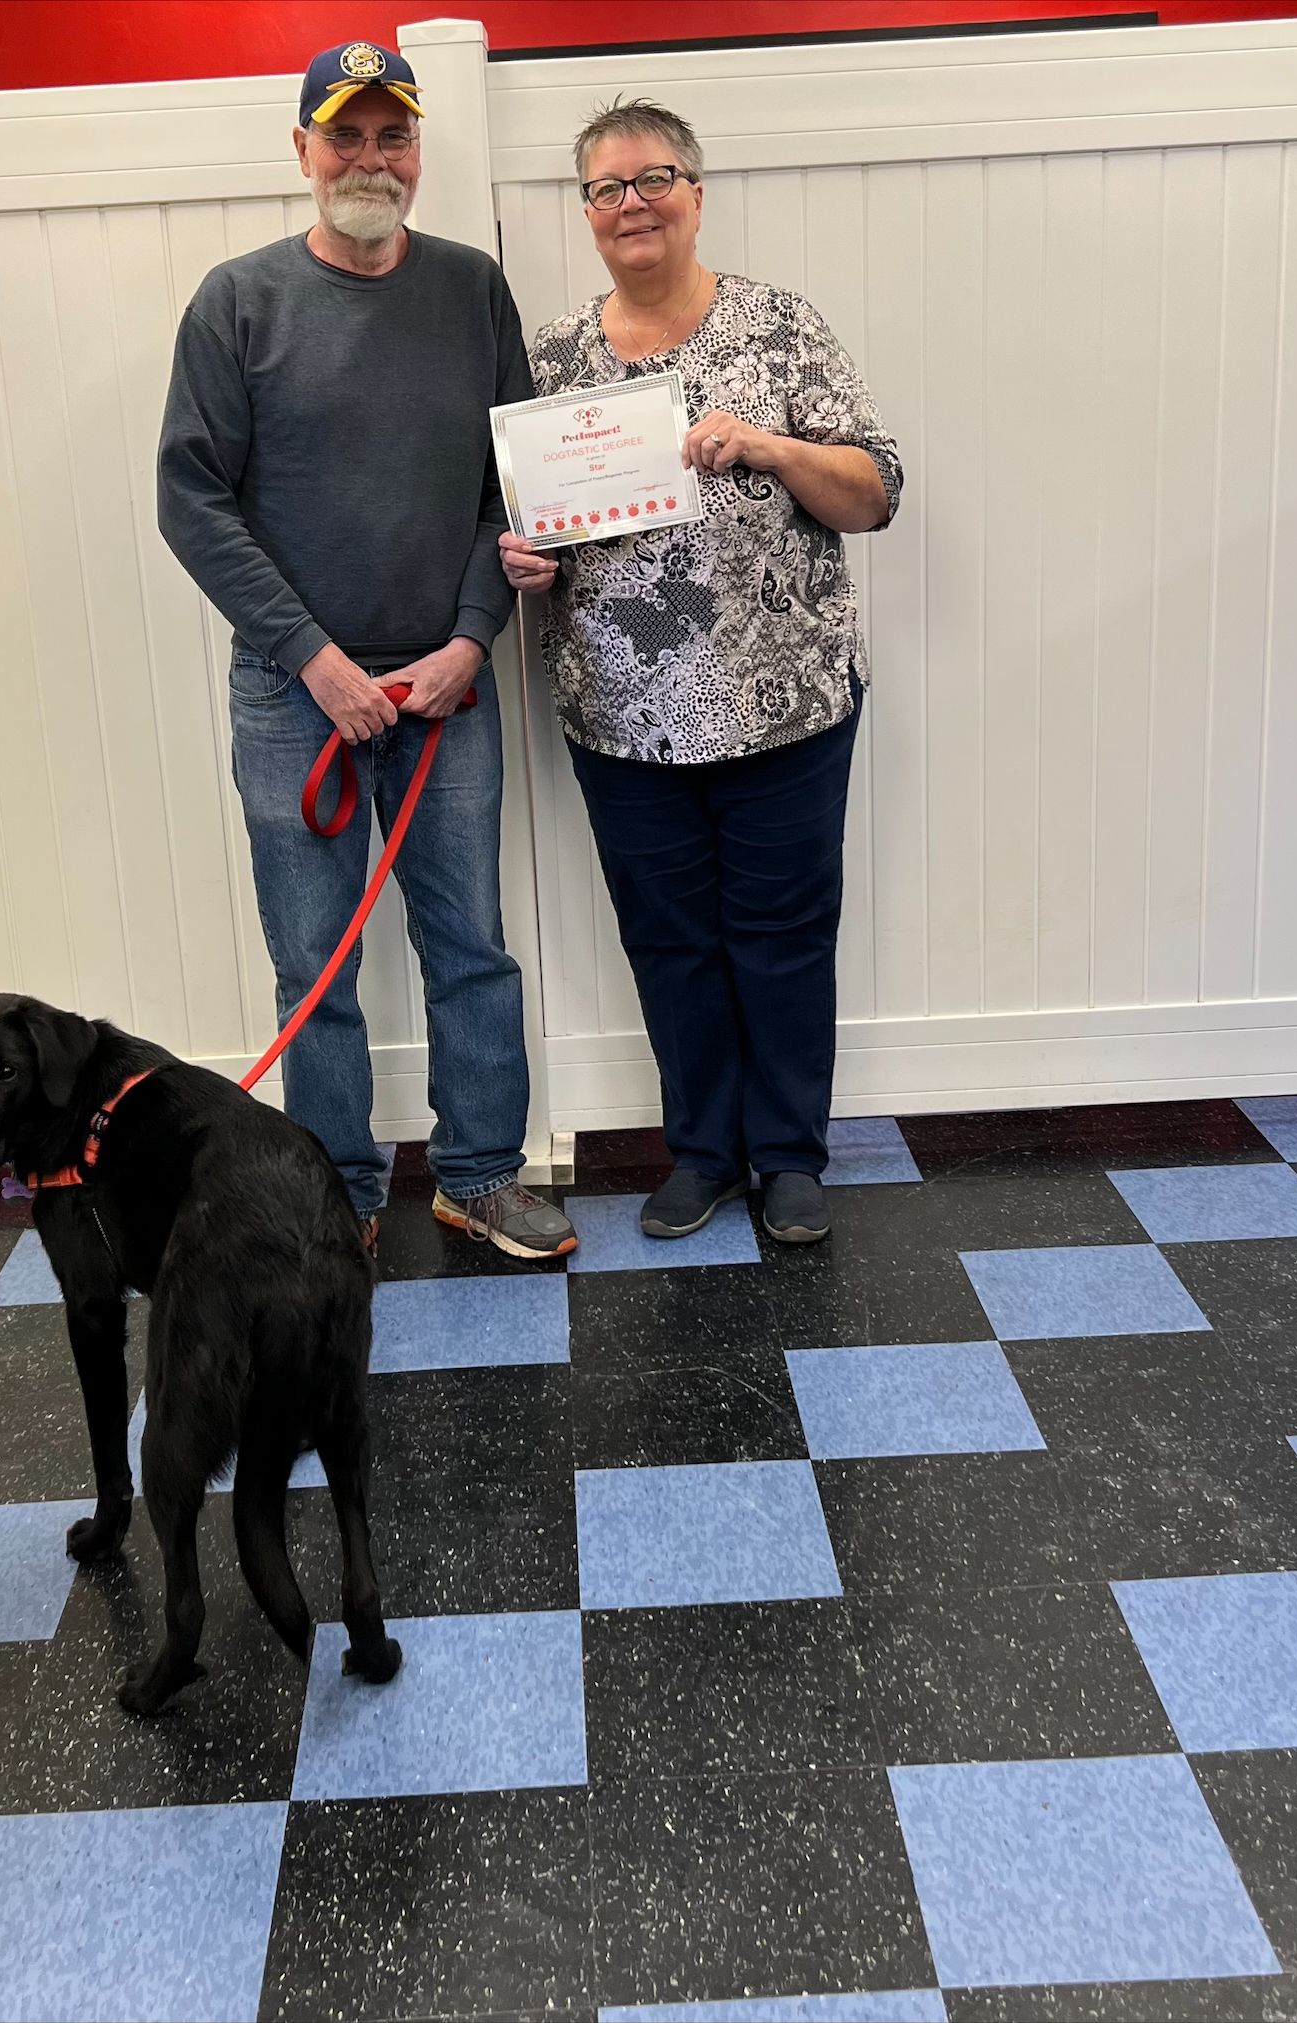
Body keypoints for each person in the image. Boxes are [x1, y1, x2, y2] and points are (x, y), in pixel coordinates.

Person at [158, 40, 577, 1261]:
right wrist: (314, 661)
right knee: (314, 964)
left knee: (470, 947)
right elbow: (193, 501)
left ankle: (480, 1176)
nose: (370, 158)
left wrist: (468, 641)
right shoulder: (236, 303)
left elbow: (515, 487)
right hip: (299, 696)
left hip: (447, 688)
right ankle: (337, 1192)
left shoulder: (470, 288)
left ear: (416, 152)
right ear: (301, 151)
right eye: (345, 134)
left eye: (393, 135)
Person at [501, 98, 902, 1245]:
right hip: (620, 717)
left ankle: (788, 1158)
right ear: (585, 214)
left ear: (694, 192)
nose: (632, 202)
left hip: (788, 703)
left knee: (781, 933)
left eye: (653, 178)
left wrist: (769, 445)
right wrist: (520, 556)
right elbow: (524, 522)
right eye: (606, 187)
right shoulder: (552, 361)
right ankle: (703, 1151)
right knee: (668, 939)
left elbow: (873, 493)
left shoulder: (781, 328)